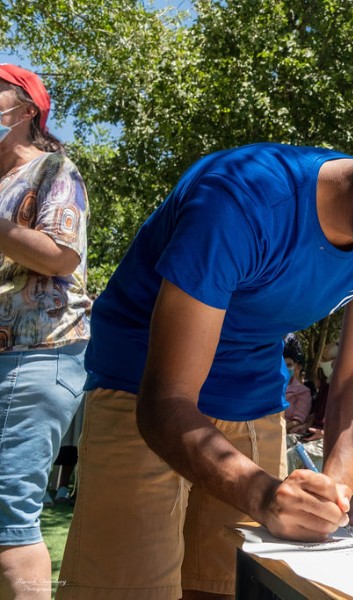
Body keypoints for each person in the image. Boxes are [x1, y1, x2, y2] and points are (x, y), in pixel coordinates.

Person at [58, 123, 353, 599]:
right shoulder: (240, 197)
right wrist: (264, 495)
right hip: (141, 387)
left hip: (250, 398)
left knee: (236, 587)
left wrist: (334, 492)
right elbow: (164, 401)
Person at [0, 64, 91, 599]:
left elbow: (61, 255)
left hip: (36, 354)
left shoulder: (54, 170)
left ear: (26, 109)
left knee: (8, 514)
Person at [283, 334, 313, 436]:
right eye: (281, 364)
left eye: (289, 365)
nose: (285, 369)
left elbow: (298, 421)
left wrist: (274, 429)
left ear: (296, 366)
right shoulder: (264, 386)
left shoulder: (303, 392)